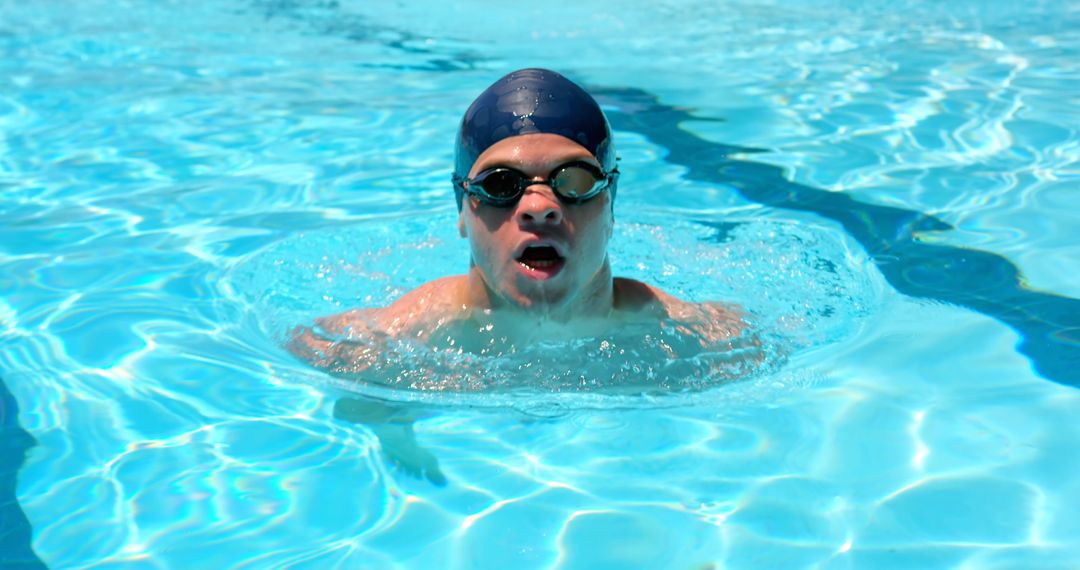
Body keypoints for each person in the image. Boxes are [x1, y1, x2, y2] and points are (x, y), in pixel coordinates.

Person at [289, 69, 753, 484]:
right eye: (499, 185)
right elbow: (354, 401)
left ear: (612, 203)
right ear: (461, 211)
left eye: (573, 180)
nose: (539, 207)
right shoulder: (379, 344)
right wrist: (398, 441)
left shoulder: (713, 339)